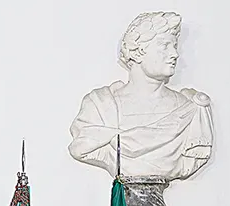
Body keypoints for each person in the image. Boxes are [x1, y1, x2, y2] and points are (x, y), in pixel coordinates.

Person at [68, 11, 212, 182]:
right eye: (165, 45)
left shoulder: (190, 109)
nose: (175, 54)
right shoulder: (100, 105)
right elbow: (81, 146)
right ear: (137, 52)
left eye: (175, 46)